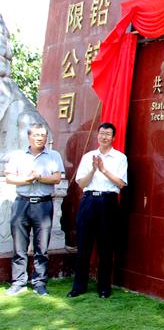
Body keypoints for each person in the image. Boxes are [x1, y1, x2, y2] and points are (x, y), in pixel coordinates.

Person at [67, 122, 127, 299]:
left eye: (108, 134)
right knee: (83, 245)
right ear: (97, 135)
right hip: (89, 201)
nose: (104, 137)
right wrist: (93, 170)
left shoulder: (120, 158)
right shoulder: (88, 157)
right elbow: (82, 183)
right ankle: (79, 286)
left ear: (113, 137)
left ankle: (104, 287)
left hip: (108, 202)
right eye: (101, 133)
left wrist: (103, 170)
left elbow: (121, 183)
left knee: (105, 247)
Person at [4, 123, 64, 296]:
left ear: (47, 138)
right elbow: (10, 178)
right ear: (29, 136)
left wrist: (40, 177)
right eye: (36, 135)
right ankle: (19, 282)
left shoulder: (53, 156)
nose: (40, 138)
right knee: (19, 245)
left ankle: (39, 282)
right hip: (21, 203)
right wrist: (28, 179)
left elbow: (56, 178)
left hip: (43, 204)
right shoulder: (18, 156)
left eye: (43, 135)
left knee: (41, 246)